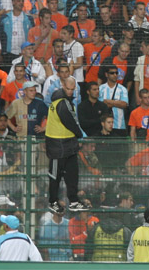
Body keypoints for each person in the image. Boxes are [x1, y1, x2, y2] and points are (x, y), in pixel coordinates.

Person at [44, 78, 89, 214]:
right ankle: (53, 201)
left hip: (66, 144)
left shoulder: (58, 101)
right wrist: (80, 134)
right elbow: (71, 121)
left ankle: (73, 201)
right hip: (58, 145)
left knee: (71, 175)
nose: (70, 91)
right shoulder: (63, 103)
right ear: (63, 86)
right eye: (68, 89)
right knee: (56, 176)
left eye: (72, 89)